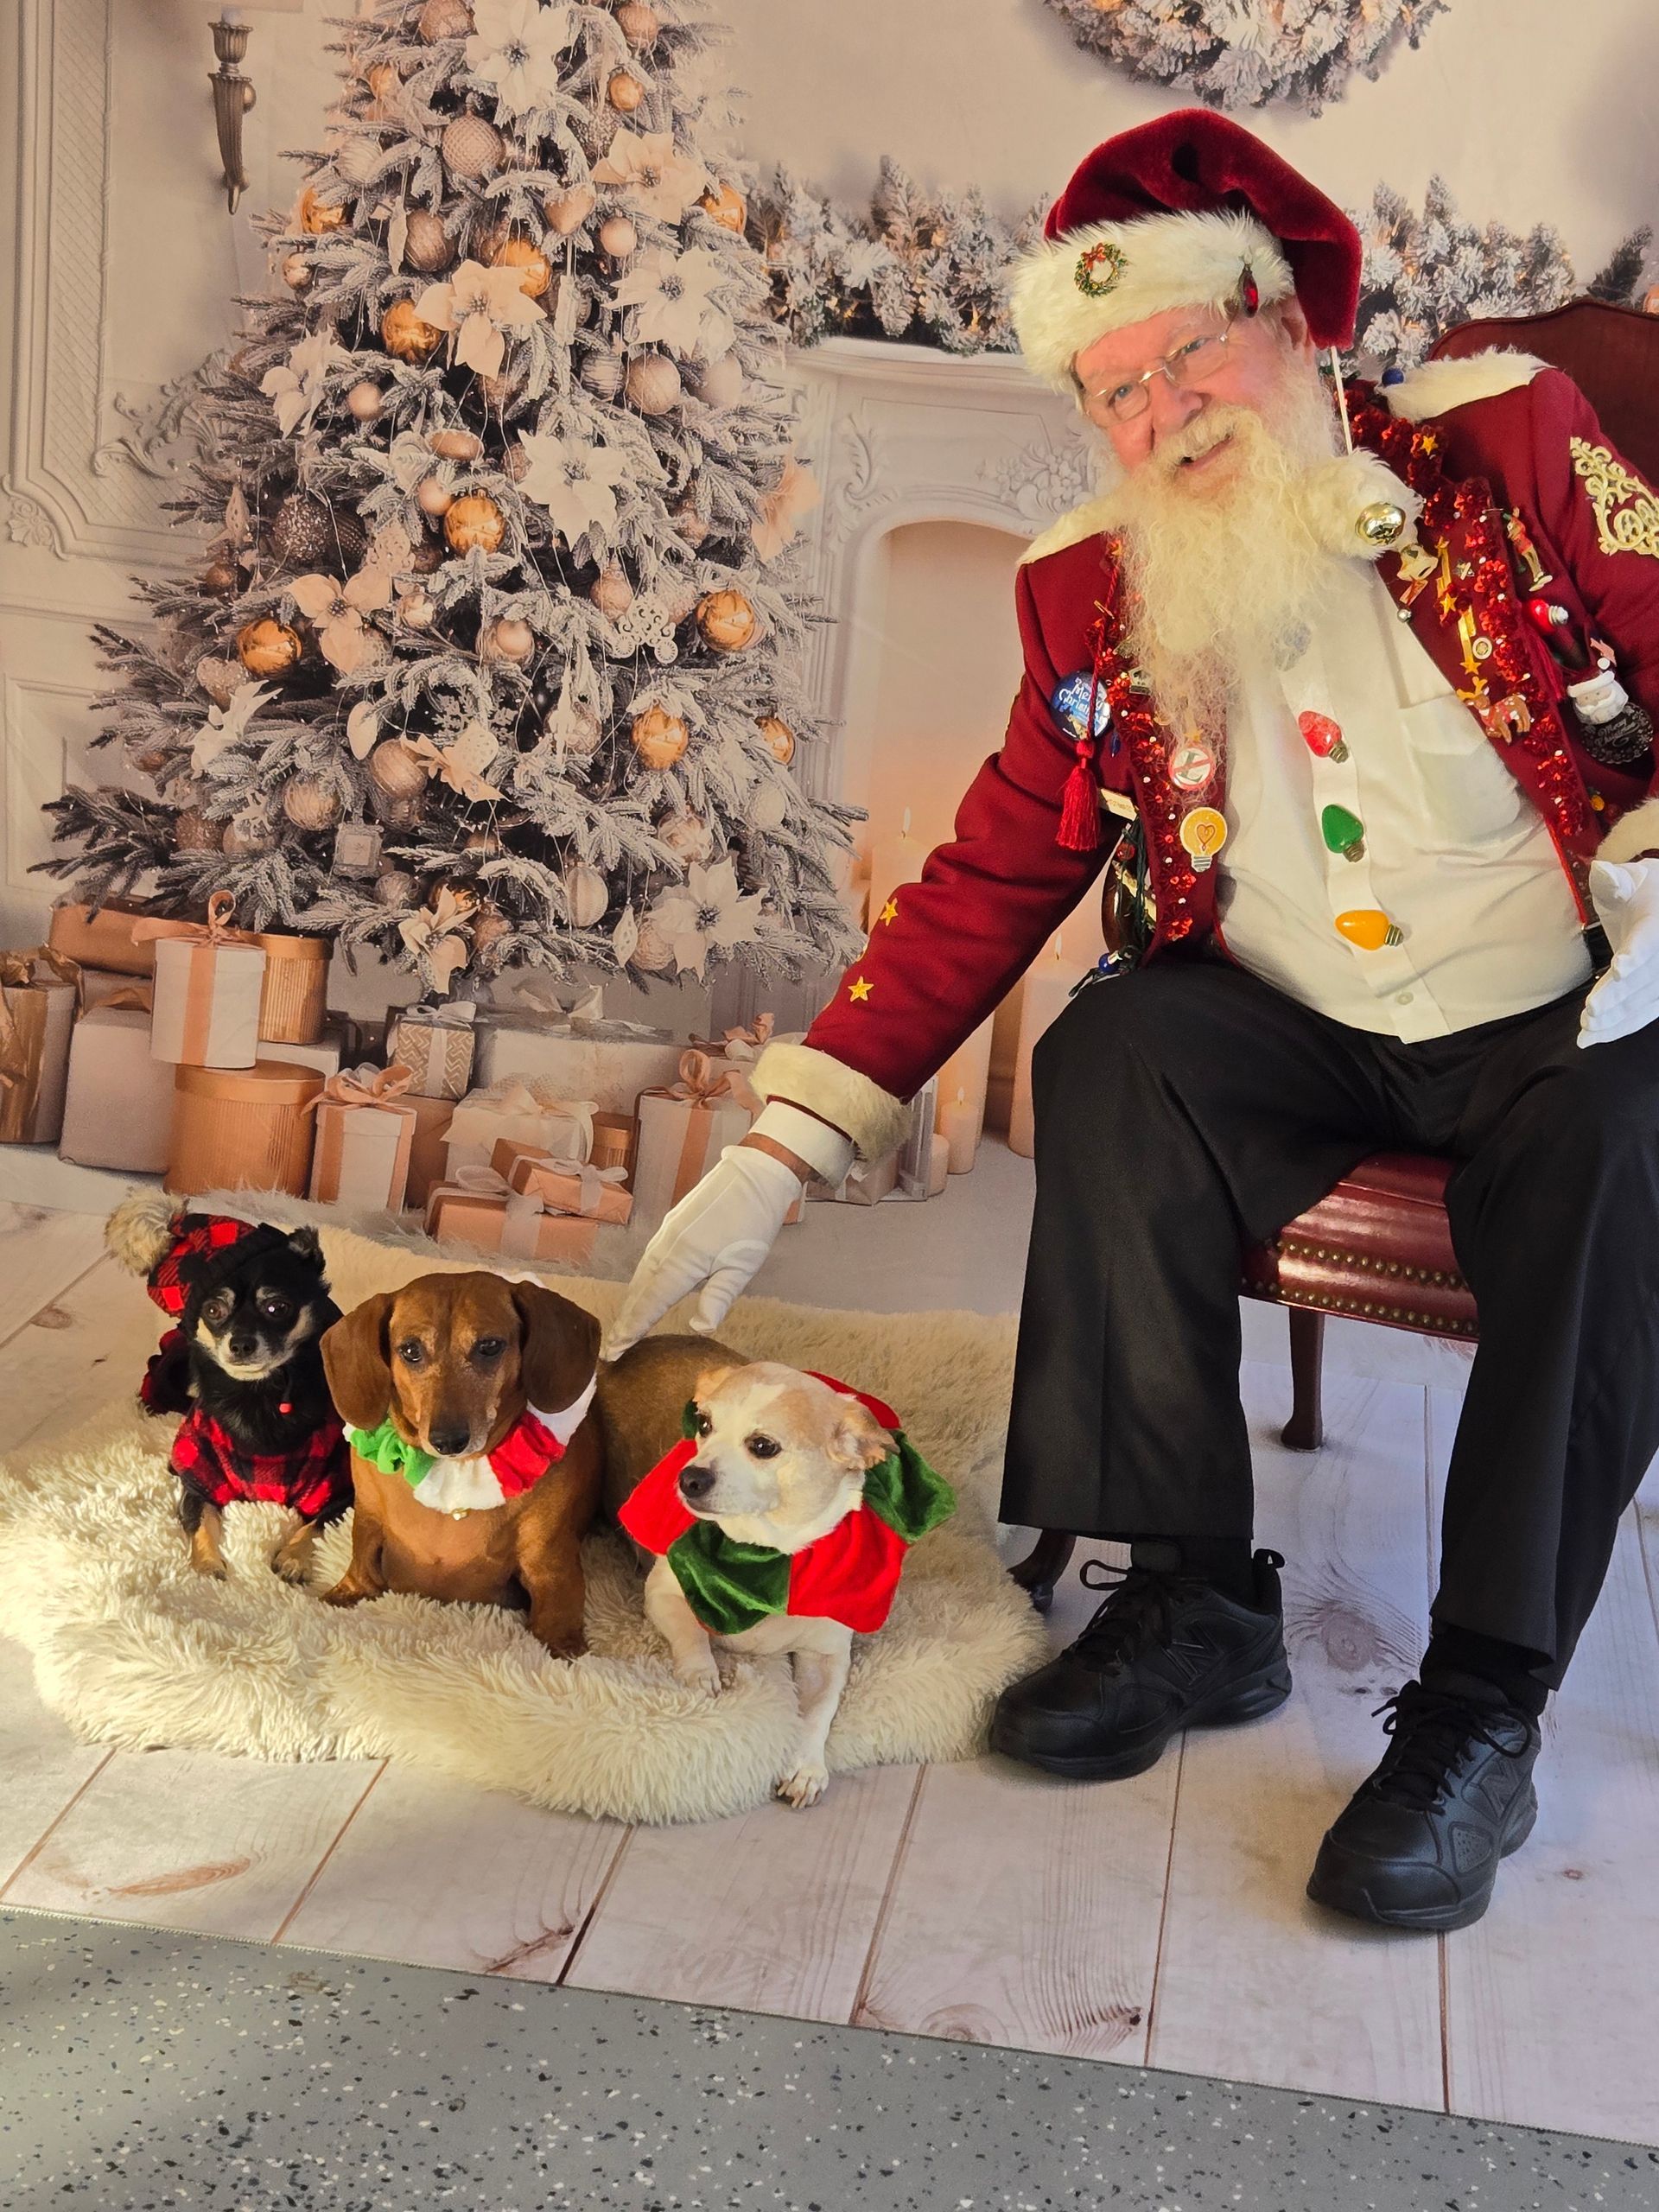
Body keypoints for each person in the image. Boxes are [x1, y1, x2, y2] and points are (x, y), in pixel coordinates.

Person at [607, 110, 1659, 1934]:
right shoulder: (1087, 588)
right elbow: (987, 879)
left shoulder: (1512, 443)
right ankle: (1194, 1592)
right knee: (1115, 1052)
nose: (1164, 411)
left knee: (1626, 1139)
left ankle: (1482, 1706)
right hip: (1295, 1020)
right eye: (1112, 387)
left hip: (1558, 1004)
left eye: (1190, 349)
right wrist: (778, 1155)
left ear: (1293, 321)